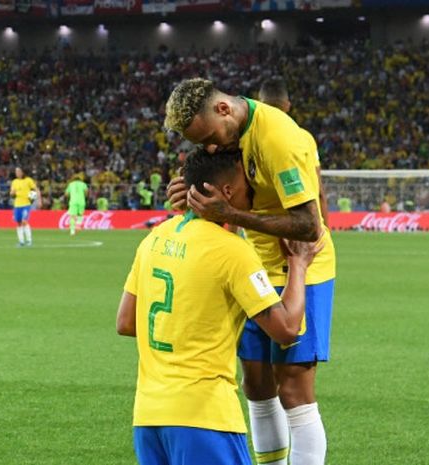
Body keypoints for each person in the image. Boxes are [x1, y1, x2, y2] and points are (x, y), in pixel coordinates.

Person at [164, 78, 335, 465]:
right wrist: (190, 193)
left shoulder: (278, 139)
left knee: (293, 388)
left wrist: (232, 215)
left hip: (302, 263)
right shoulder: (226, 137)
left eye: (208, 136)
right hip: (252, 265)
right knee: (256, 385)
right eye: (199, 143)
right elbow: (222, 189)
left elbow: (310, 226)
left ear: (224, 110)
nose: (210, 147)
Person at [116, 148, 321, 465]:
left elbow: (126, 321)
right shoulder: (232, 252)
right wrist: (298, 264)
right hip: (204, 417)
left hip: (148, 418)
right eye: (246, 184)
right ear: (227, 191)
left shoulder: (154, 239)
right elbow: (286, 329)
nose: (252, 190)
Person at [259, 78, 330, 226]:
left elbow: (241, 195)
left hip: (265, 236)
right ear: (288, 106)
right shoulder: (305, 138)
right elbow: (319, 192)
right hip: (309, 233)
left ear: (260, 104)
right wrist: (327, 233)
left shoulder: (251, 140)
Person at [10, 167, 40, 247]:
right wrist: (12, 193)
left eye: (19, 171)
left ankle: (29, 241)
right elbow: (12, 194)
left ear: (23, 172)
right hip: (17, 205)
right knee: (19, 223)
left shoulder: (28, 180)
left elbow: (36, 189)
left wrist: (38, 200)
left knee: (24, 221)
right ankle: (21, 241)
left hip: (26, 204)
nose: (17, 173)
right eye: (16, 171)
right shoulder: (14, 182)